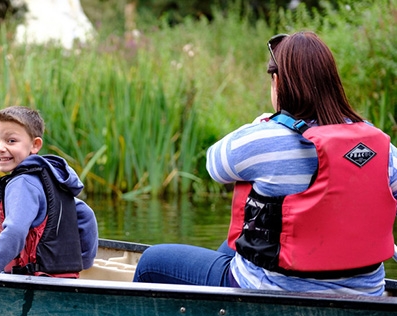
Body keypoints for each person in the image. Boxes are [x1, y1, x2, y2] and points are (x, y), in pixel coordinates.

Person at [133, 31, 397, 296]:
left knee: (151, 262)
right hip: (365, 294)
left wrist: (258, 124)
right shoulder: (379, 146)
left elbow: (214, 165)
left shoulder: (266, 138)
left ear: (278, 82)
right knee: (234, 244)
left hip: (269, 290)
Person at [0, 106, 98, 277]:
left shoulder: (21, 183)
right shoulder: (49, 179)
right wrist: (83, 261)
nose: (0, 148)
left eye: (11, 141)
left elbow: (15, 232)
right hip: (64, 277)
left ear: (35, 145)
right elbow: (85, 215)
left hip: (34, 279)